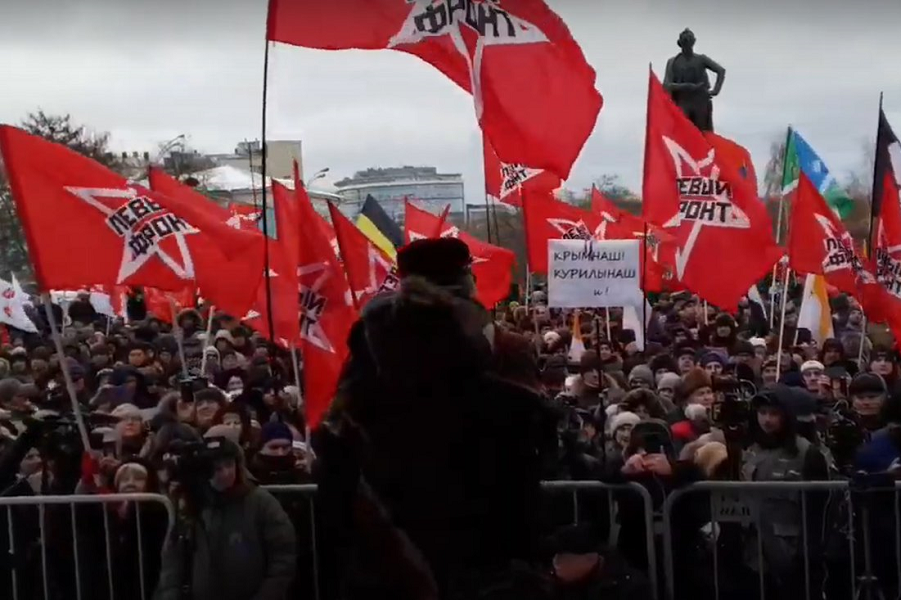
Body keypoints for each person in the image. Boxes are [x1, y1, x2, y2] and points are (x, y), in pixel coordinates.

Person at [313, 238, 553, 599]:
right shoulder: (503, 376)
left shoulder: (368, 371)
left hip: (389, 555)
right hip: (477, 557)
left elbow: (336, 446)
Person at [154, 436, 297, 600]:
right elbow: (173, 562)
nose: (225, 473)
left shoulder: (261, 502)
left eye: (229, 465)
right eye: (216, 468)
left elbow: (283, 555)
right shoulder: (191, 505)